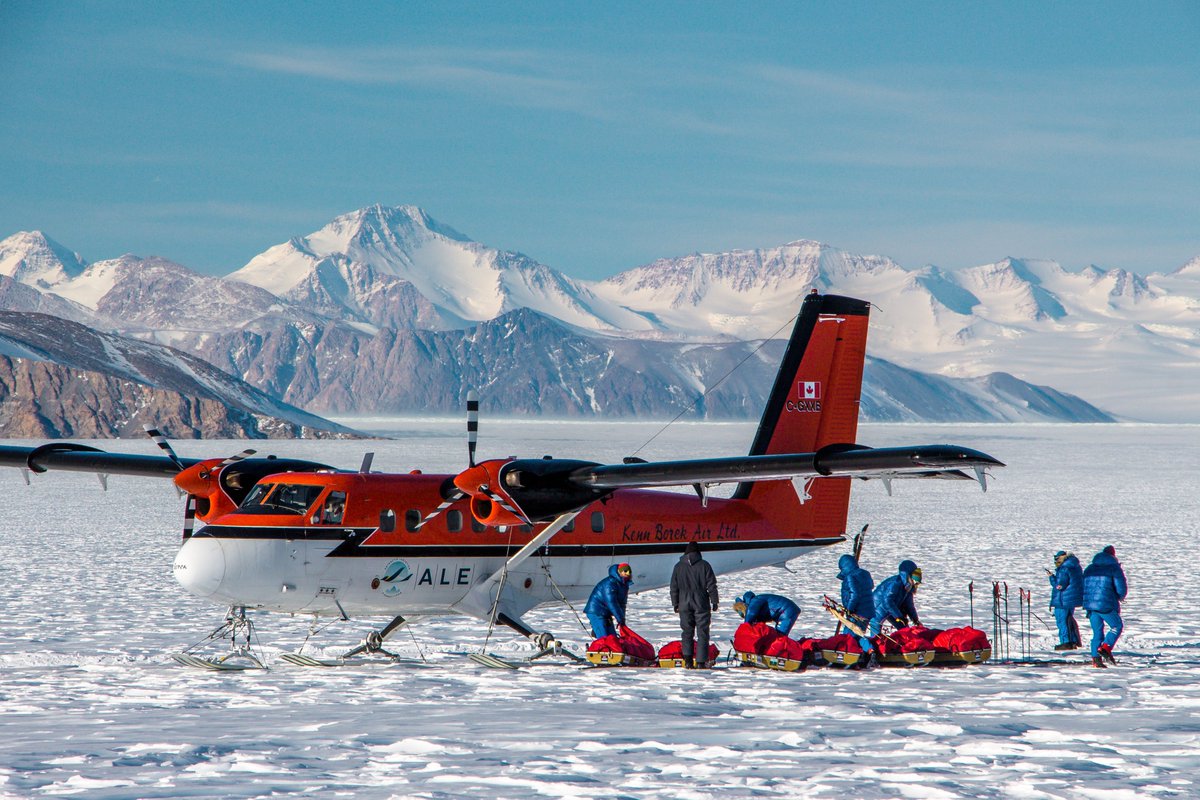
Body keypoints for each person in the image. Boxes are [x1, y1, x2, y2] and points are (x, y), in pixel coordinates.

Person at [860, 560, 923, 665]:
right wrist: (898, 616)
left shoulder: (907, 588)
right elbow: (887, 601)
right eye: (915, 581)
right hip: (878, 607)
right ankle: (873, 653)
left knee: (904, 629)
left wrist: (915, 619)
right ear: (908, 576)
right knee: (876, 634)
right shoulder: (896, 583)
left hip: (891, 608)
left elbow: (909, 606)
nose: (916, 584)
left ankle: (908, 648)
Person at [669, 542, 719, 668]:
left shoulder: (678, 566)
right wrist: (714, 601)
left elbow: (674, 587)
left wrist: (675, 603)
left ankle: (688, 661)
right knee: (702, 632)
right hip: (701, 601)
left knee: (687, 632)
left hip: (683, 602)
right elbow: (711, 585)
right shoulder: (705, 565)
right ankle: (701, 662)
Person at [1083, 545, 1127, 667]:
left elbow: (1083, 585)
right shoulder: (1114, 568)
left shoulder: (1090, 568)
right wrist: (1120, 596)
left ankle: (1096, 660)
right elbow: (1121, 587)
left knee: (1097, 632)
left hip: (1090, 605)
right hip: (1105, 604)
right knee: (1116, 626)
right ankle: (1105, 648)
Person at [584, 563, 633, 639]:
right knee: (604, 638)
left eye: (629, 571)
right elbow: (611, 603)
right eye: (625, 571)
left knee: (612, 638)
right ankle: (602, 647)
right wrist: (619, 618)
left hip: (606, 613)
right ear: (619, 572)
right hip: (597, 611)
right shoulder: (610, 583)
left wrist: (622, 620)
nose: (628, 573)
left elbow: (622, 604)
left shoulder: (624, 585)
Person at [1048, 550, 1083, 650]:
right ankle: (1072, 641)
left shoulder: (1064, 568)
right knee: (1068, 620)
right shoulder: (1075, 566)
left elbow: (1059, 586)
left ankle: (1065, 642)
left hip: (1062, 600)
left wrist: (1051, 578)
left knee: (1062, 621)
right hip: (1071, 600)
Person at [733, 591, 801, 636]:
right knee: (776, 636)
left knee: (780, 636)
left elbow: (751, 613)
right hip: (783, 612)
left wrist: (746, 626)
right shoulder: (757, 608)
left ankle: (782, 653)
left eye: (743, 614)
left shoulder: (755, 601)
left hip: (787, 611)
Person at [837, 553, 875, 623]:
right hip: (869, 610)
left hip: (857, 612)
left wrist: (850, 609)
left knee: (849, 633)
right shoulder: (865, 573)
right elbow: (871, 586)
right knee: (859, 632)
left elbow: (855, 594)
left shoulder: (850, 577)